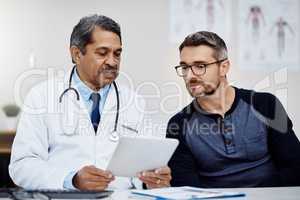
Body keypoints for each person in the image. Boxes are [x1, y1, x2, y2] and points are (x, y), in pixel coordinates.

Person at [9, 14, 171, 190]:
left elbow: (140, 168)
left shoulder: (134, 101)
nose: (112, 61)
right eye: (102, 53)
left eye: (117, 54)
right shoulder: (42, 96)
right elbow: (22, 166)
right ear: (77, 54)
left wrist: (151, 179)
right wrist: (71, 180)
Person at [167, 31, 300, 187]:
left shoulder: (265, 105)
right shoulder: (179, 124)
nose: (189, 76)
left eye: (200, 66)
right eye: (184, 67)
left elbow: (294, 168)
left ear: (224, 67)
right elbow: (184, 186)